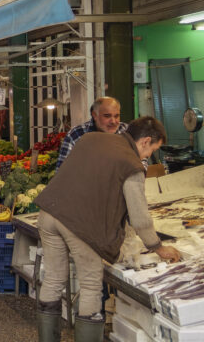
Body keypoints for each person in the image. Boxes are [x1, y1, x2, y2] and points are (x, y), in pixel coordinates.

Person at [34, 117, 181, 342]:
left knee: (53, 278)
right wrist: (158, 248)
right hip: (81, 226)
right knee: (91, 286)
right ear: (145, 141)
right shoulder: (132, 165)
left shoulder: (91, 138)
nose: (148, 156)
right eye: (152, 150)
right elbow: (139, 217)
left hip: (48, 214)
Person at [56, 97, 128, 171]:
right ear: (95, 115)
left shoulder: (126, 131)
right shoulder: (76, 135)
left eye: (116, 116)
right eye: (107, 116)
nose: (113, 121)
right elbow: (62, 172)